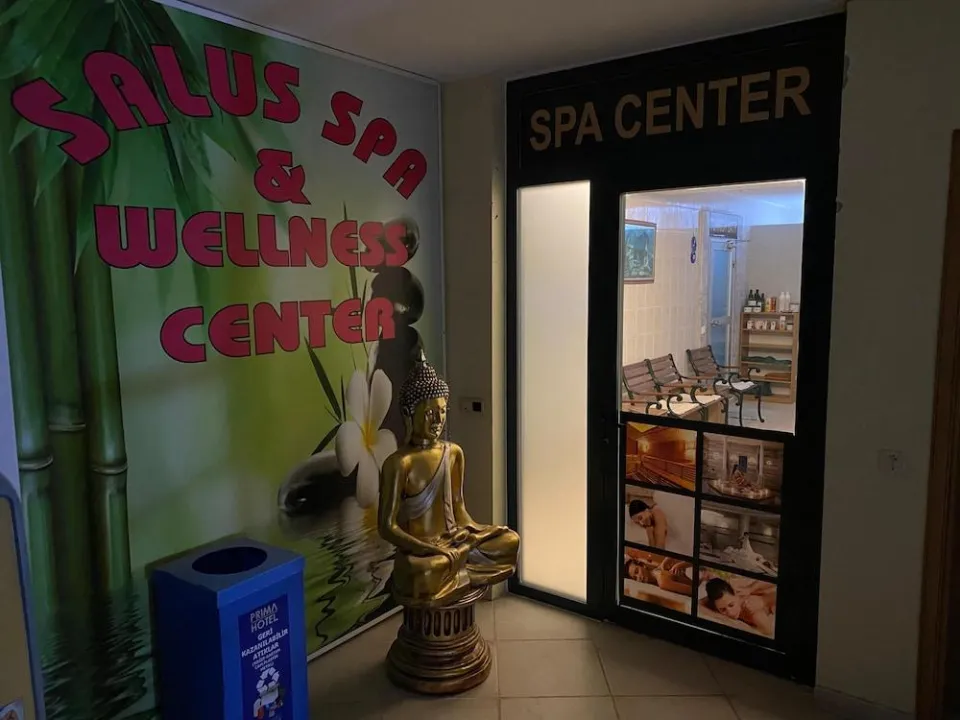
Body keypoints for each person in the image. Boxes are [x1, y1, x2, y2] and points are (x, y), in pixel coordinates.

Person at [702, 576, 776, 636]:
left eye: (731, 605)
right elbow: (701, 603)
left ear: (736, 595)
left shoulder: (750, 611)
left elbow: (768, 631)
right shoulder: (720, 602)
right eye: (723, 609)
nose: (730, 613)